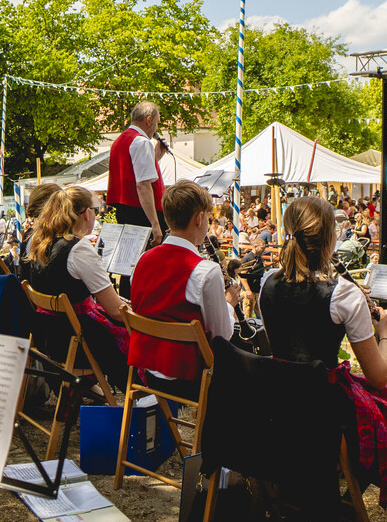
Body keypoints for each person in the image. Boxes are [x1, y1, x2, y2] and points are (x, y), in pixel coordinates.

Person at [257, 196, 387, 498]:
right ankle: (348, 502)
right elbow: (379, 376)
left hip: (277, 403)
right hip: (322, 416)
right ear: (330, 239)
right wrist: (386, 334)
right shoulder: (343, 295)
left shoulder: (267, 283)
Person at [127, 181, 235, 399]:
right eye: (208, 217)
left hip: (147, 369)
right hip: (189, 378)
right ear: (199, 218)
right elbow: (222, 337)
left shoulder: (141, 261)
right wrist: (229, 305)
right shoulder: (206, 271)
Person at [27, 186, 129, 398]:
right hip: (75, 343)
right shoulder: (78, 249)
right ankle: (146, 396)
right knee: (135, 335)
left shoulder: (40, 243)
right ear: (86, 213)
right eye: (95, 210)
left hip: (47, 338)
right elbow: (116, 311)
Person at [105, 100, 168, 247]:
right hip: (142, 213)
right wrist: (155, 224)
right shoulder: (141, 142)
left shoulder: (119, 141)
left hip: (125, 210)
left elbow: (132, 173)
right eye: (157, 123)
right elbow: (143, 185)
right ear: (149, 120)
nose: (156, 128)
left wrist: (155, 157)